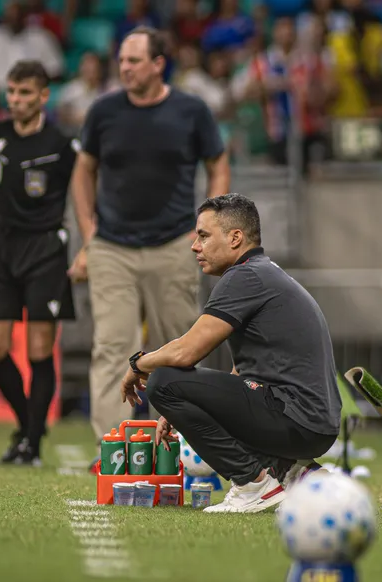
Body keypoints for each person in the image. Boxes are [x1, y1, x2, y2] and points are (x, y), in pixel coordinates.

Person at [68, 25, 231, 462]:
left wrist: (209, 227)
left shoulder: (192, 110)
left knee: (177, 349)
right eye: (121, 60)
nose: (124, 67)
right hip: (113, 249)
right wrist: (89, 234)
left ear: (159, 64)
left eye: (134, 60)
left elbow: (218, 162)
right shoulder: (103, 111)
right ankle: (111, 451)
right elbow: (83, 170)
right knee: (111, 349)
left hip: (174, 246)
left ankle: (175, 448)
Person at [120, 194, 342, 514]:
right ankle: (294, 473)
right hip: (314, 424)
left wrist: (138, 364)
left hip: (295, 418)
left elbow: (186, 352)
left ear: (235, 238)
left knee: (164, 380)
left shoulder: (244, 276)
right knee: (176, 385)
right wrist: (189, 408)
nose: (195, 246)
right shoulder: (263, 272)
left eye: (204, 235)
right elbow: (245, 373)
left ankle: (253, 484)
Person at [0, 60, 78, 467]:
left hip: (45, 248)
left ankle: (30, 442)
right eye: (11, 92)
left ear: (44, 96)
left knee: (39, 349)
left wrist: (87, 245)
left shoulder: (62, 144)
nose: (16, 100)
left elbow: (82, 193)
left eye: (25, 92)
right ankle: (30, 424)